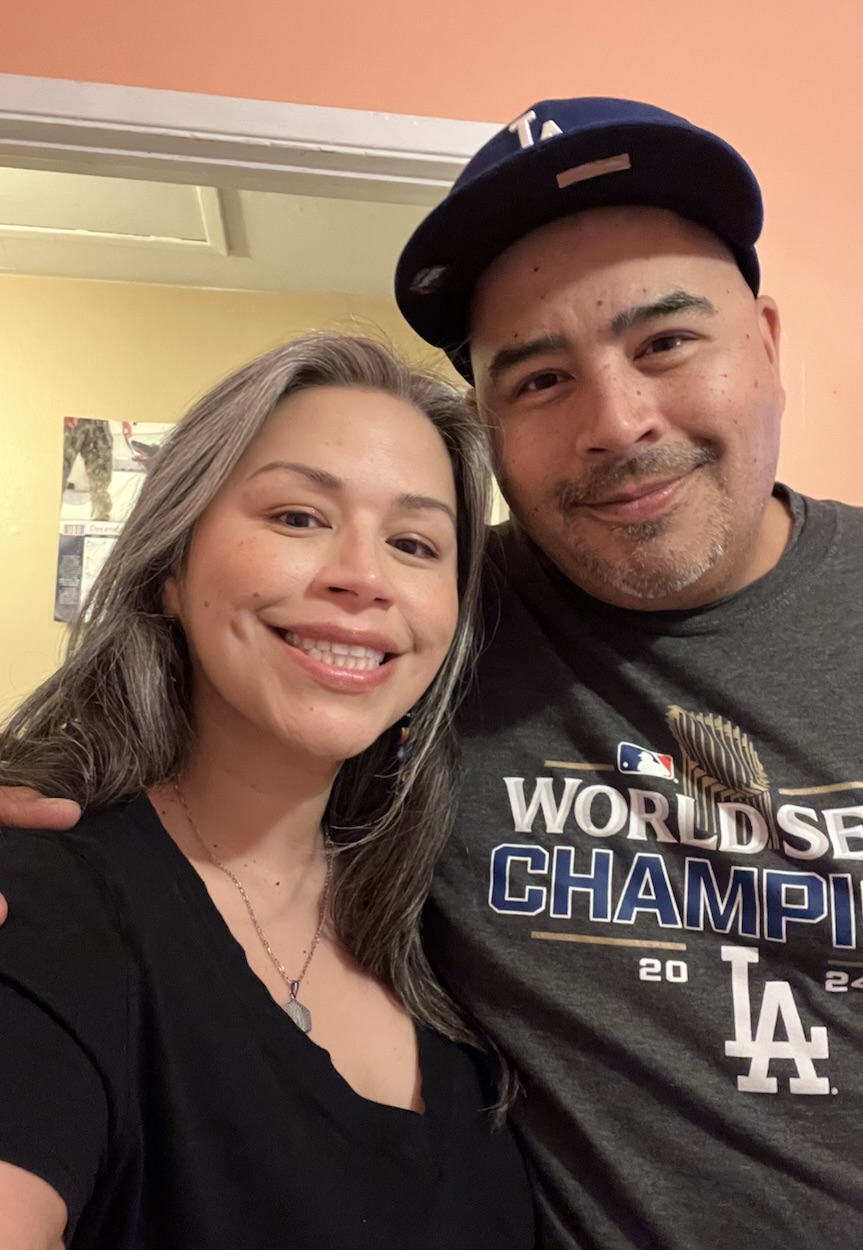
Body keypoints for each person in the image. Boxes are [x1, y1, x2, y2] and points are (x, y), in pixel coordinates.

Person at [4, 95, 863, 1250]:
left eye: (665, 339)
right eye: (538, 378)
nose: (615, 417)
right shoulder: (435, 626)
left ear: (766, 340)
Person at [0, 333, 534, 1249]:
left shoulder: (458, 930)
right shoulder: (45, 899)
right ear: (172, 567)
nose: (363, 578)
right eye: (296, 517)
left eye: (414, 542)